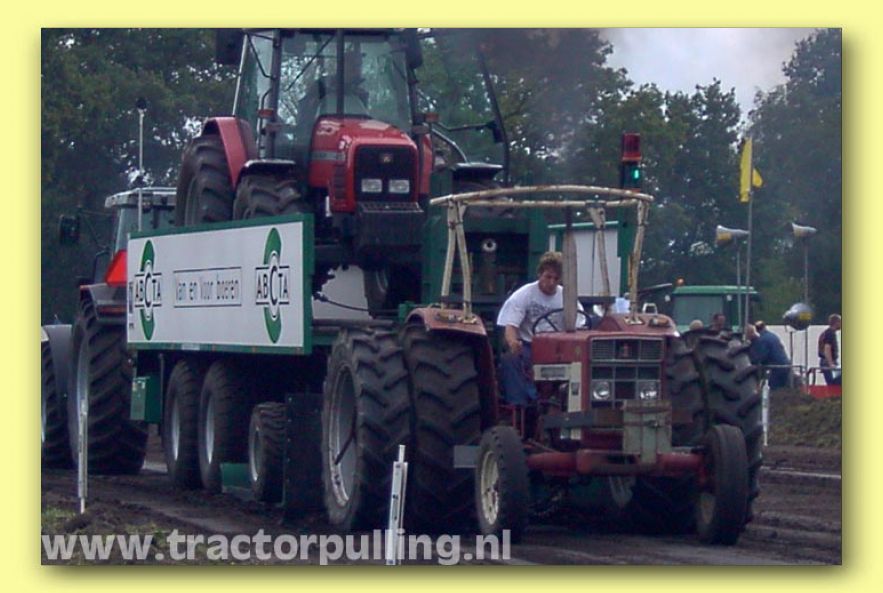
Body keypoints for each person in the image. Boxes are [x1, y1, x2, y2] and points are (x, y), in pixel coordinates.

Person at [496, 251, 570, 405]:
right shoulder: (524, 295)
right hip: (530, 346)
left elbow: (580, 324)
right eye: (548, 277)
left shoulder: (567, 297)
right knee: (511, 359)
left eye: (556, 278)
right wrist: (513, 343)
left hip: (559, 348)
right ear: (539, 275)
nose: (551, 282)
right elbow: (511, 326)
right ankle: (521, 405)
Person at [747, 321, 792, 390]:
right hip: (785, 365)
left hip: (776, 368)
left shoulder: (762, 340)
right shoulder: (772, 336)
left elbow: (760, 357)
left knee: (773, 388)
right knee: (782, 388)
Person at [818, 313, 841, 385]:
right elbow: (827, 349)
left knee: (833, 383)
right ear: (836, 322)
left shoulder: (827, 332)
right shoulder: (830, 333)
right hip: (827, 362)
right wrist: (831, 364)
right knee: (833, 384)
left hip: (826, 362)